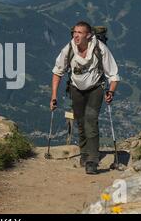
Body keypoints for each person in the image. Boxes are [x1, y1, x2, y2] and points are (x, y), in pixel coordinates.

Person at [50, 21, 120, 174]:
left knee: (90, 119)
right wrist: (53, 96)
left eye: (80, 33)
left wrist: (111, 91)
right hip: (76, 89)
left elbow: (113, 75)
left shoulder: (100, 49)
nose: (76, 35)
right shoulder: (69, 49)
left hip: (96, 88)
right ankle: (84, 153)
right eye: (75, 32)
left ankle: (92, 160)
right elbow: (57, 71)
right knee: (80, 122)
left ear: (88, 36)